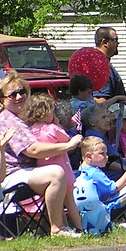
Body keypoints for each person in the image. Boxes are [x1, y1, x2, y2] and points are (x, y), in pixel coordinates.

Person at [0, 73, 84, 236]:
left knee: (57, 172)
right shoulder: (8, 120)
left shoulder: (20, 118)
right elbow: (33, 150)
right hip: (7, 176)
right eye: (12, 94)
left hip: (22, 173)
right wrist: (68, 145)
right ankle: (58, 228)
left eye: (22, 91)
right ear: (2, 100)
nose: (19, 96)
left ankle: (57, 227)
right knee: (56, 174)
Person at [24, 93, 82, 232]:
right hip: (62, 168)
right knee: (69, 201)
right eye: (52, 111)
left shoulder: (30, 130)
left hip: (43, 169)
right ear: (45, 113)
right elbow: (66, 140)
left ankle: (62, 226)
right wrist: (56, 123)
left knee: (56, 202)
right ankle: (79, 227)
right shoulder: (53, 128)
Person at [76, 138, 126, 225]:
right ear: (88, 156)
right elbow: (113, 189)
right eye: (102, 154)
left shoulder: (82, 169)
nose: (106, 157)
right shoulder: (95, 173)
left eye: (106, 153)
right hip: (104, 208)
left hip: (90, 210)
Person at [92, 26, 126, 103]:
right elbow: (99, 101)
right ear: (104, 42)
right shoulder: (100, 66)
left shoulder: (101, 62)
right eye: (115, 40)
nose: (118, 43)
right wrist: (118, 99)